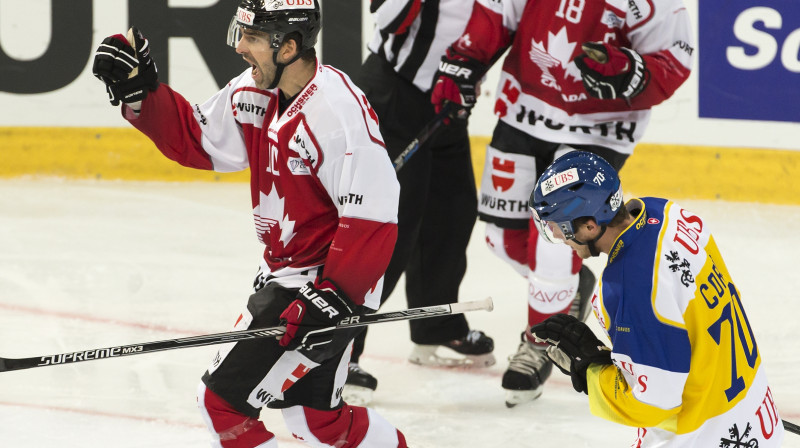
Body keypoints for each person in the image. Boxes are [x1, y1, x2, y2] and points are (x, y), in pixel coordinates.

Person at [91, 1, 409, 446]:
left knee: (221, 404)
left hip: (323, 289)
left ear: (289, 46)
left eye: (253, 38)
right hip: (293, 278)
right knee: (318, 422)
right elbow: (201, 139)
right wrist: (141, 93)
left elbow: (372, 216)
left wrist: (335, 298)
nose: (240, 47)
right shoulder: (255, 90)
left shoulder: (337, 115)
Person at [430, 0, 693, 406]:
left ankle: (541, 339)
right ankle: (572, 286)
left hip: (599, 127)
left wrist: (627, 70)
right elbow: (498, 14)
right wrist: (465, 59)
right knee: (502, 240)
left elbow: (673, 58)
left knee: (552, 244)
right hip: (524, 110)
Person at [528, 151, 785, 447]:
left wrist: (592, 371)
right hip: (754, 417)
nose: (559, 238)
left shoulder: (627, 286)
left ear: (589, 226)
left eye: (559, 227)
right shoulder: (668, 214)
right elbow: (688, 322)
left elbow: (655, 402)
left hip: (703, 437)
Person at [343, 0, 496, 405]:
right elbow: (389, 20)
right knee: (385, 229)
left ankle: (435, 326)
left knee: (451, 213)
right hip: (393, 94)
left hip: (449, 101)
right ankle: (339, 349)